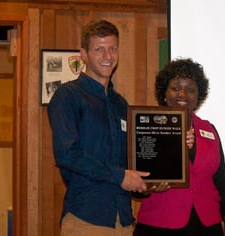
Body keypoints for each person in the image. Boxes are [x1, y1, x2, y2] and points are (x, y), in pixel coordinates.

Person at [47, 19, 150, 236]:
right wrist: (120, 176)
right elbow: (67, 155)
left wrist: (146, 182)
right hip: (86, 219)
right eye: (99, 49)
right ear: (83, 54)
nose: (108, 56)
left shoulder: (121, 104)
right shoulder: (67, 96)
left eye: (112, 48)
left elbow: (128, 162)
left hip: (123, 220)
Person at [133, 58, 225, 236]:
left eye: (190, 89)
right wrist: (148, 189)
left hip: (207, 226)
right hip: (159, 225)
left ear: (199, 95)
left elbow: (221, 180)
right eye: (175, 88)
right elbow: (137, 181)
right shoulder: (147, 126)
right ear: (164, 92)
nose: (182, 94)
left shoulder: (209, 130)